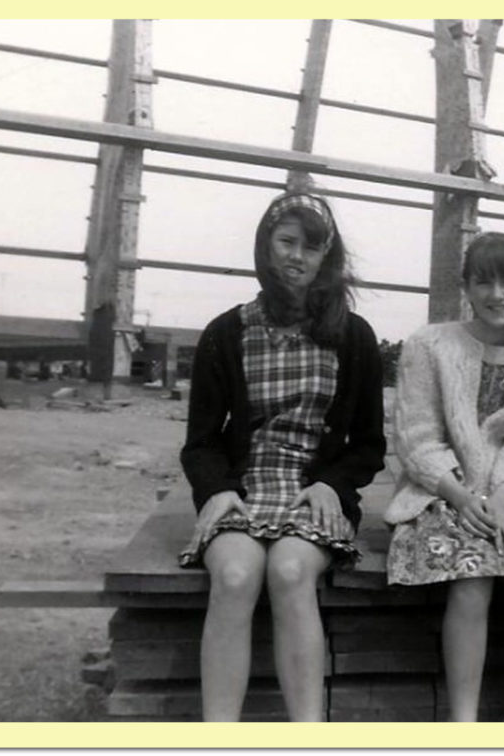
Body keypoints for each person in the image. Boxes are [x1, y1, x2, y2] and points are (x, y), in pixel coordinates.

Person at [179, 190, 386, 721]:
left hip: (313, 494)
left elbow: (368, 443)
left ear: (326, 258)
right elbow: (201, 438)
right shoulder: (226, 334)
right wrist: (218, 489)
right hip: (243, 493)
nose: (297, 256)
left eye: (311, 247)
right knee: (234, 576)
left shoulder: (353, 337)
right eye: (287, 242)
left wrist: (333, 486)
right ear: (266, 247)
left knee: (292, 571)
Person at [384, 232, 504, 722]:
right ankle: (463, 725)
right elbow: (416, 438)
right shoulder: (431, 344)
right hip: (440, 491)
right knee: (472, 577)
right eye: (483, 282)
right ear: (466, 287)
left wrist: (502, 500)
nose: (497, 294)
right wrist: (461, 496)